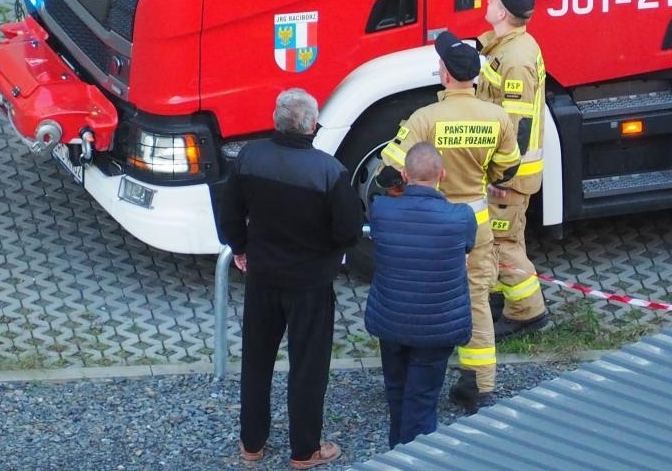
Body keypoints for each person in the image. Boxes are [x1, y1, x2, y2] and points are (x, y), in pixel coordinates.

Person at [211, 88, 363, 469]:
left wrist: (241, 247)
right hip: (310, 283)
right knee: (308, 366)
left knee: (257, 361)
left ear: (276, 120)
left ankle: (252, 443)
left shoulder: (250, 158)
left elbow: (228, 212)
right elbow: (348, 232)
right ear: (312, 125)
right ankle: (305, 449)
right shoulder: (329, 172)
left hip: (262, 276)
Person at [378, 31, 520, 412]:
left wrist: (401, 197)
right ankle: (480, 386)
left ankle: (413, 380)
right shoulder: (497, 117)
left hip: (429, 224)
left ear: (444, 73)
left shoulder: (425, 119)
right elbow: (507, 169)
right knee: (476, 300)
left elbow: (389, 173)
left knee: (423, 297)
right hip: (475, 222)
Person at [365, 142, 477, 448]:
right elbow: (467, 246)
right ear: (442, 174)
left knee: (397, 394)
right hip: (437, 325)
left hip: (392, 321)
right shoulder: (461, 216)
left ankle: (395, 451)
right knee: (423, 400)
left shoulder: (381, 209)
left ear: (404, 173)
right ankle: (416, 455)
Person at [475, 0, 550, 339]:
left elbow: (516, 126)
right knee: (505, 239)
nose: (485, 1)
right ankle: (505, 300)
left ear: (502, 11)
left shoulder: (516, 59)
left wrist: (501, 174)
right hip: (509, 171)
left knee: (502, 243)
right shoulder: (508, 46)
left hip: (510, 174)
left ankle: (527, 311)